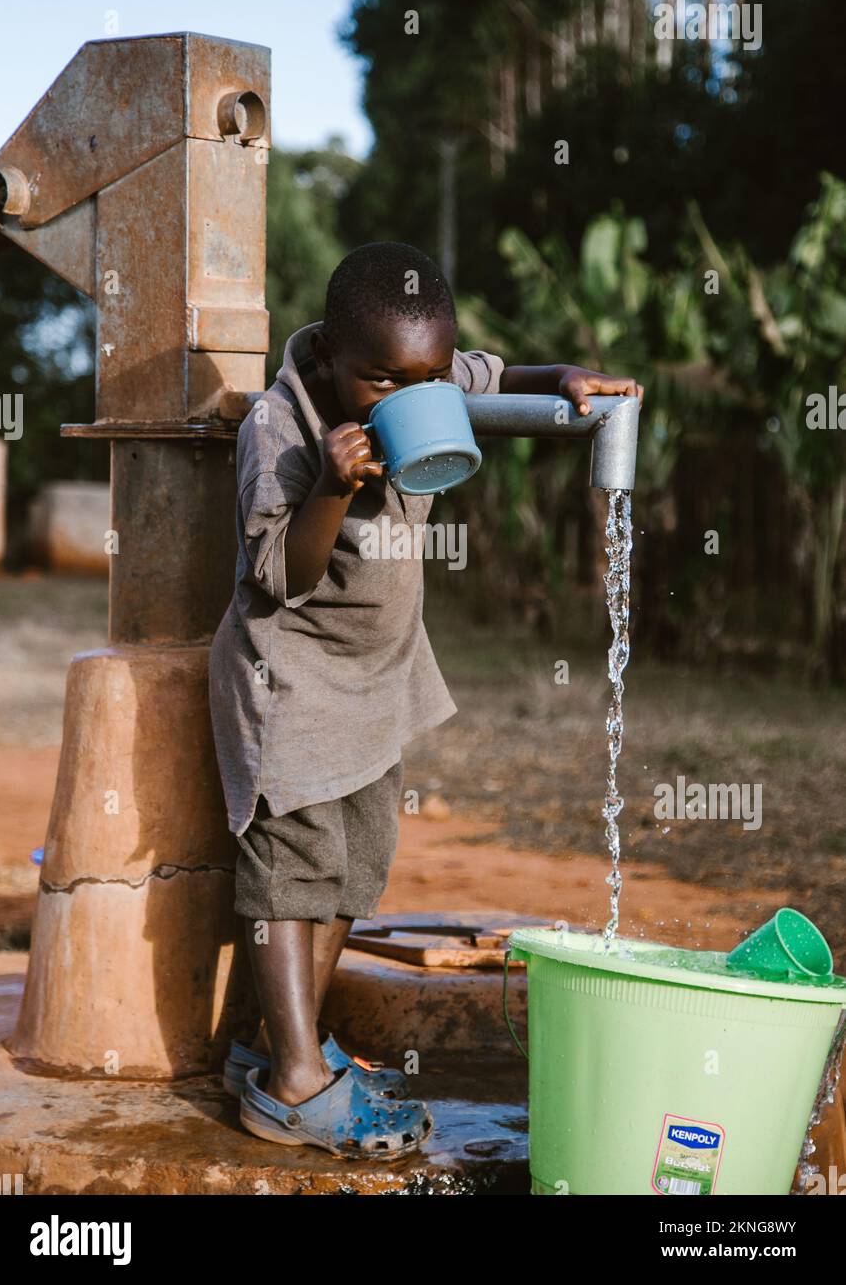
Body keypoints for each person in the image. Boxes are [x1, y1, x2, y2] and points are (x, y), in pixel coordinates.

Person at [208, 241, 642, 1159]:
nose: (414, 400)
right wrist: (331, 484)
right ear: (326, 354)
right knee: (290, 876)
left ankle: (280, 1046)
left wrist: (562, 377)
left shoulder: (419, 376)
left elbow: (495, 372)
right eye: (384, 383)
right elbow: (282, 574)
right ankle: (292, 1087)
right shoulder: (281, 428)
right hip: (290, 684)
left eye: (432, 378)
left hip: (376, 682)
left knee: (349, 874)